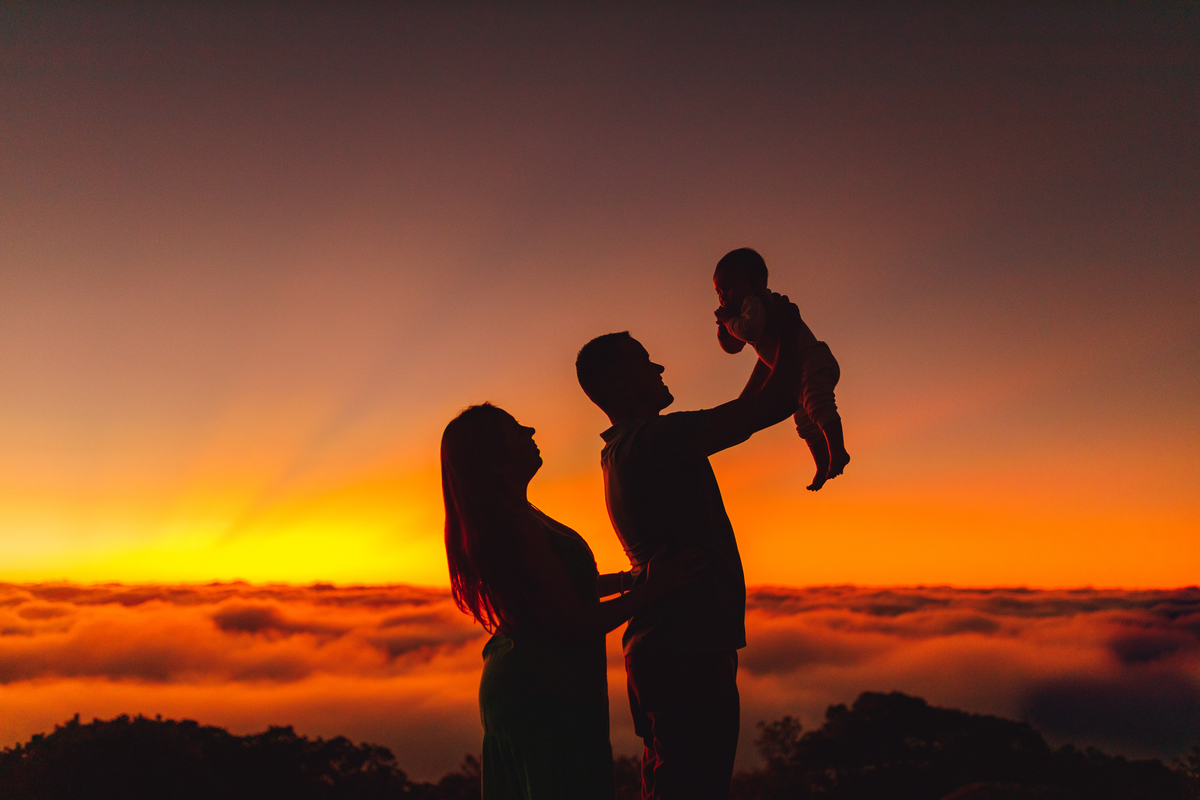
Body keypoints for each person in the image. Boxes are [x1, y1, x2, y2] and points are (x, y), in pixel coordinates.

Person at [574, 297, 804, 800]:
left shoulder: (625, 447)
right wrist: (783, 327)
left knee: (669, 783)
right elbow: (771, 404)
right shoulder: (656, 440)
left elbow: (746, 412)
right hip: (686, 652)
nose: (658, 366)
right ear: (619, 383)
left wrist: (763, 349)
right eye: (644, 362)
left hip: (664, 648)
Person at [442, 403, 699, 800]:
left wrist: (629, 580)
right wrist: (652, 591)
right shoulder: (516, 525)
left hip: (535, 685)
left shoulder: (519, 515)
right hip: (542, 693)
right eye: (514, 429)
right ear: (496, 459)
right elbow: (575, 623)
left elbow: (561, 586)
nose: (529, 428)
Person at [714, 247, 850, 491]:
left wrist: (729, 322)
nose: (723, 298)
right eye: (718, 293)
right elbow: (736, 346)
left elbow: (750, 332)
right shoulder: (745, 311)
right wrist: (724, 331)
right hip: (798, 371)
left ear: (754, 282)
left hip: (811, 361)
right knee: (805, 422)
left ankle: (838, 451)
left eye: (727, 289)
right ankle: (822, 464)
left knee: (819, 405)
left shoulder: (756, 302)